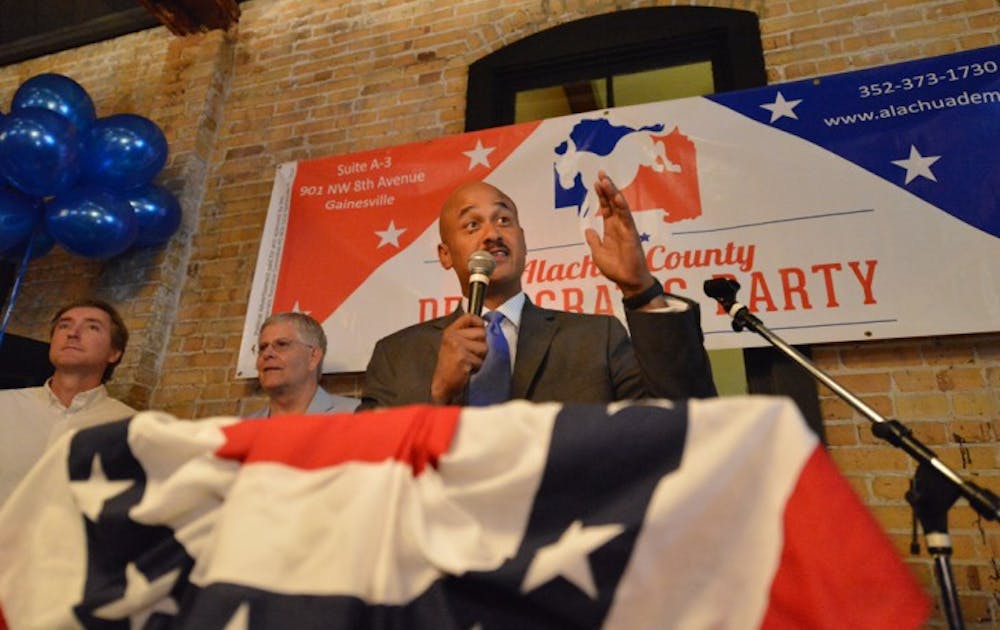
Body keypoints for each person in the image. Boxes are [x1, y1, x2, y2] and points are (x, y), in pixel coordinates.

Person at [360, 172, 717, 409]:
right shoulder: (396, 356)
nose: (492, 234)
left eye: (504, 220)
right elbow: (366, 471)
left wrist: (640, 289)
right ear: (445, 255)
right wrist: (438, 395)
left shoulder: (597, 338)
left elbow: (685, 414)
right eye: (472, 225)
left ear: (524, 242)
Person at [0, 298, 136, 505]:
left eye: (92, 327)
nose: (73, 333)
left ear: (114, 353)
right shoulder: (5, 406)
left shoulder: (131, 428)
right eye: (64, 325)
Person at [248, 312, 359, 417]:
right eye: (262, 348)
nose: (267, 354)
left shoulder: (357, 416)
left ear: (313, 357)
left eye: (282, 344)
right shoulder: (242, 429)